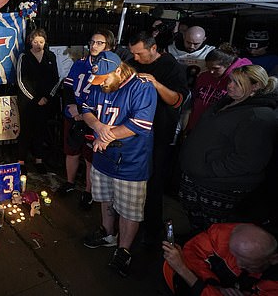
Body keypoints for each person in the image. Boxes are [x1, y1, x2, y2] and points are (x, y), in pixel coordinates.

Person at [81, 51, 157, 277]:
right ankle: (107, 233)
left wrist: (107, 135)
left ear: (118, 70)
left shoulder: (141, 87)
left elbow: (140, 124)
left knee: (129, 209)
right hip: (103, 157)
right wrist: (98, 126)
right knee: (104, 197)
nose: (100, 84)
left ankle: (123, 250)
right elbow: (85, 109)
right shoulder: (99, 83)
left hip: (131, 161)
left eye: (104, 79)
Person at [178, 65, 278, 232]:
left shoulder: (258, 116)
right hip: (197, 178)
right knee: (197, 230)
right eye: (231, 80)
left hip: (219, 187)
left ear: (255, 87)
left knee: (216, 234)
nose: (230, 85)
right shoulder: (227, 102)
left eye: (237, 83)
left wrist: (208, 170)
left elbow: (249, 160)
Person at [128, 31, 189, 244]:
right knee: (133, 179)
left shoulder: (172, 67)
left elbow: (177, 100)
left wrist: (155, 83)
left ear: (153, 49)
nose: (136, 58)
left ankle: (152, 231)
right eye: (133, 54)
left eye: (140, 53)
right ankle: (129, 223)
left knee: (153, 183)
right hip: (133, 132)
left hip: (159, 133)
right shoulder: (132, 62)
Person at [59, 29, 116, 211]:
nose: (94, 46)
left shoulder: (111, 67)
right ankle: (69, 182)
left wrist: (86, 112)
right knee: (71, 150)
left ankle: (88, 191)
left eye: (99, 43)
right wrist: (70, 107)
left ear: (109, 46)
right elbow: (68, 87)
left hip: (94, 118)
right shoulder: (80, 63)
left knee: (90, 156)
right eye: (92, 42)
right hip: (74, 114)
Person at [162, 223, 278, 295]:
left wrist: (183, 270)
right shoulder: (226, 234)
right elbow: (192, 251)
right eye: (236, 256)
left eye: (250, 264)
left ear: (274, 259)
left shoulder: (273, 284)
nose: (239, 264)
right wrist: (214, 286)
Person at [16, 27, 61, 174]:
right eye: (35, 41)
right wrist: (36, 99)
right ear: (30, 41)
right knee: (26, 130)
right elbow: (21, 81)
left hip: (45, 102)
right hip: (28, 102)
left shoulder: (50, 56)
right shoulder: (24, 56)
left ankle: (39, 160)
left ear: (45, 42)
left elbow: (56, 78)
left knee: (41, 130)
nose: (38, 44)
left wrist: (47, 97)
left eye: (41, 41)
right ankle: (21, 160)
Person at [185, 43, 251, 133]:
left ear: (228, 64)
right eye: (208, 68)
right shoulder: (204, 77)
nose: (211, 72)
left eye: (216, 68)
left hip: (218, 131)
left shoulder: (238, 83)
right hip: (196, 127)